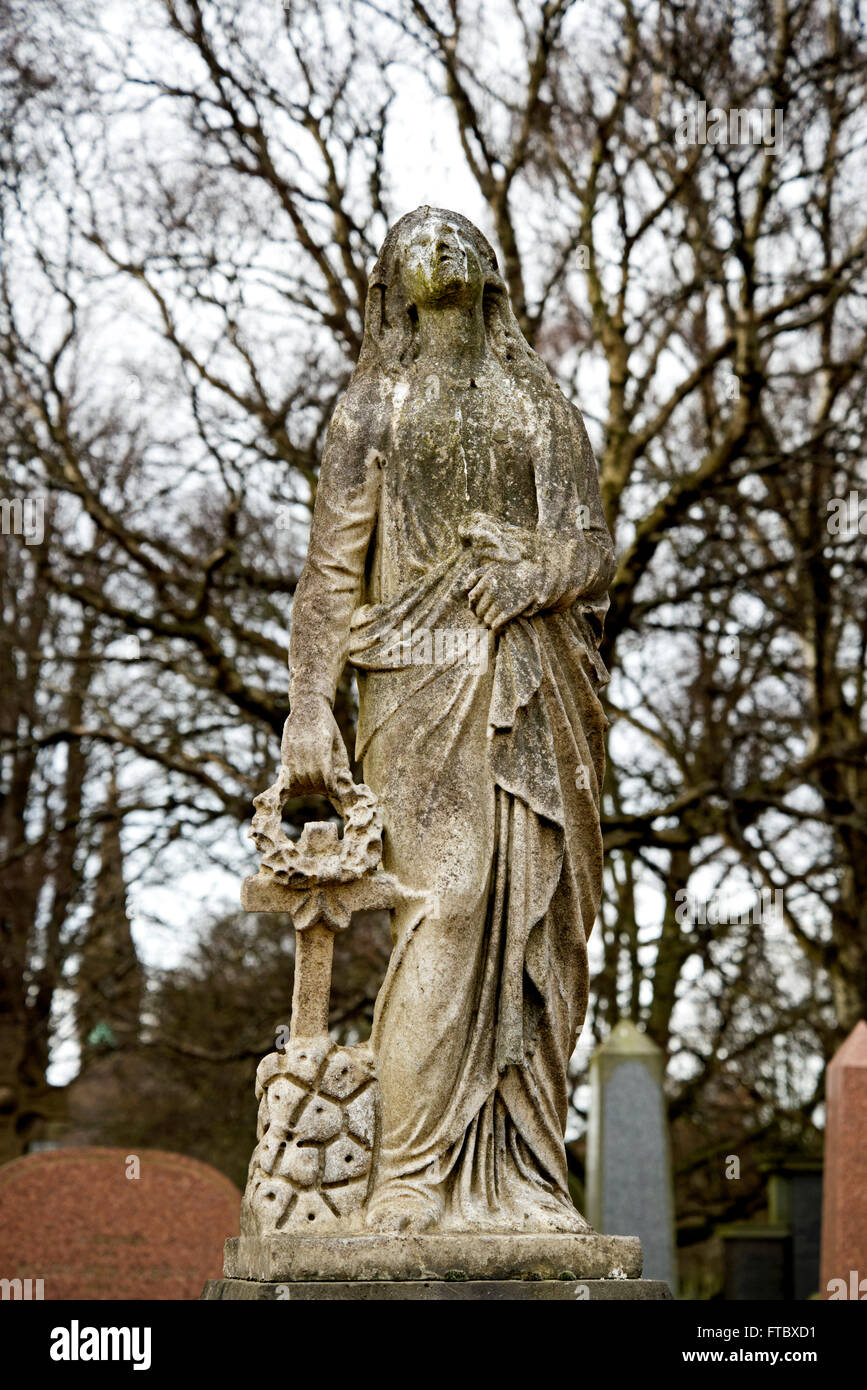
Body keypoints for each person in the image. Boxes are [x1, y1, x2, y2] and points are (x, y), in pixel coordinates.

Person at [282, 207, 614, 1233]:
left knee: (539, 928)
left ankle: (521, 1175)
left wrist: (528, 577)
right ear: (391, 284)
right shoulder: (370, 404)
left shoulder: (537, 401)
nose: (439, 241)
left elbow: (591, 549)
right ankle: (410, 1176)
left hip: (533, 676)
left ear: (491, 275)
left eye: (459, 233)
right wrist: (308, 708)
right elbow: (331, 571)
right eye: (416, 237)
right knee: (450, 901)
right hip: (412, 679)